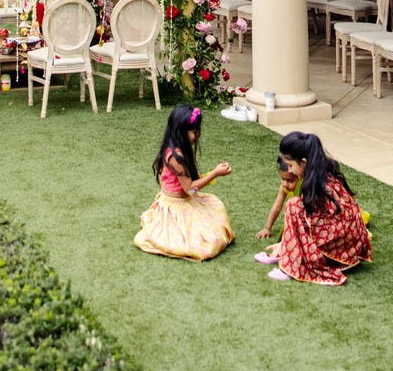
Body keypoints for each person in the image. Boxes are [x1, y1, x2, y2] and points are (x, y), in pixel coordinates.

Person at [254, 131, 371, 285]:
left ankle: (292, 267)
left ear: (303, 162)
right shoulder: (323, 174)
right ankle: (287, 253)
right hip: (349, 250)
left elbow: (313, 226)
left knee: (293, 206)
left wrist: (288, 246)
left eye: (290, 165)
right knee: (298, 208)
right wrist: (286, 244)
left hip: (340, 252)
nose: (289, 171)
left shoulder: (318, 185)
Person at [134, 103, 234, 260]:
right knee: (205, 242)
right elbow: (190, 189)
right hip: (176, 205)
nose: (198, 135)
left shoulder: (177, 147)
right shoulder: (176, 157)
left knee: (216, 206)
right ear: (181, 131)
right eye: (194, 131)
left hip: (184, 198)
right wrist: (214, 174)